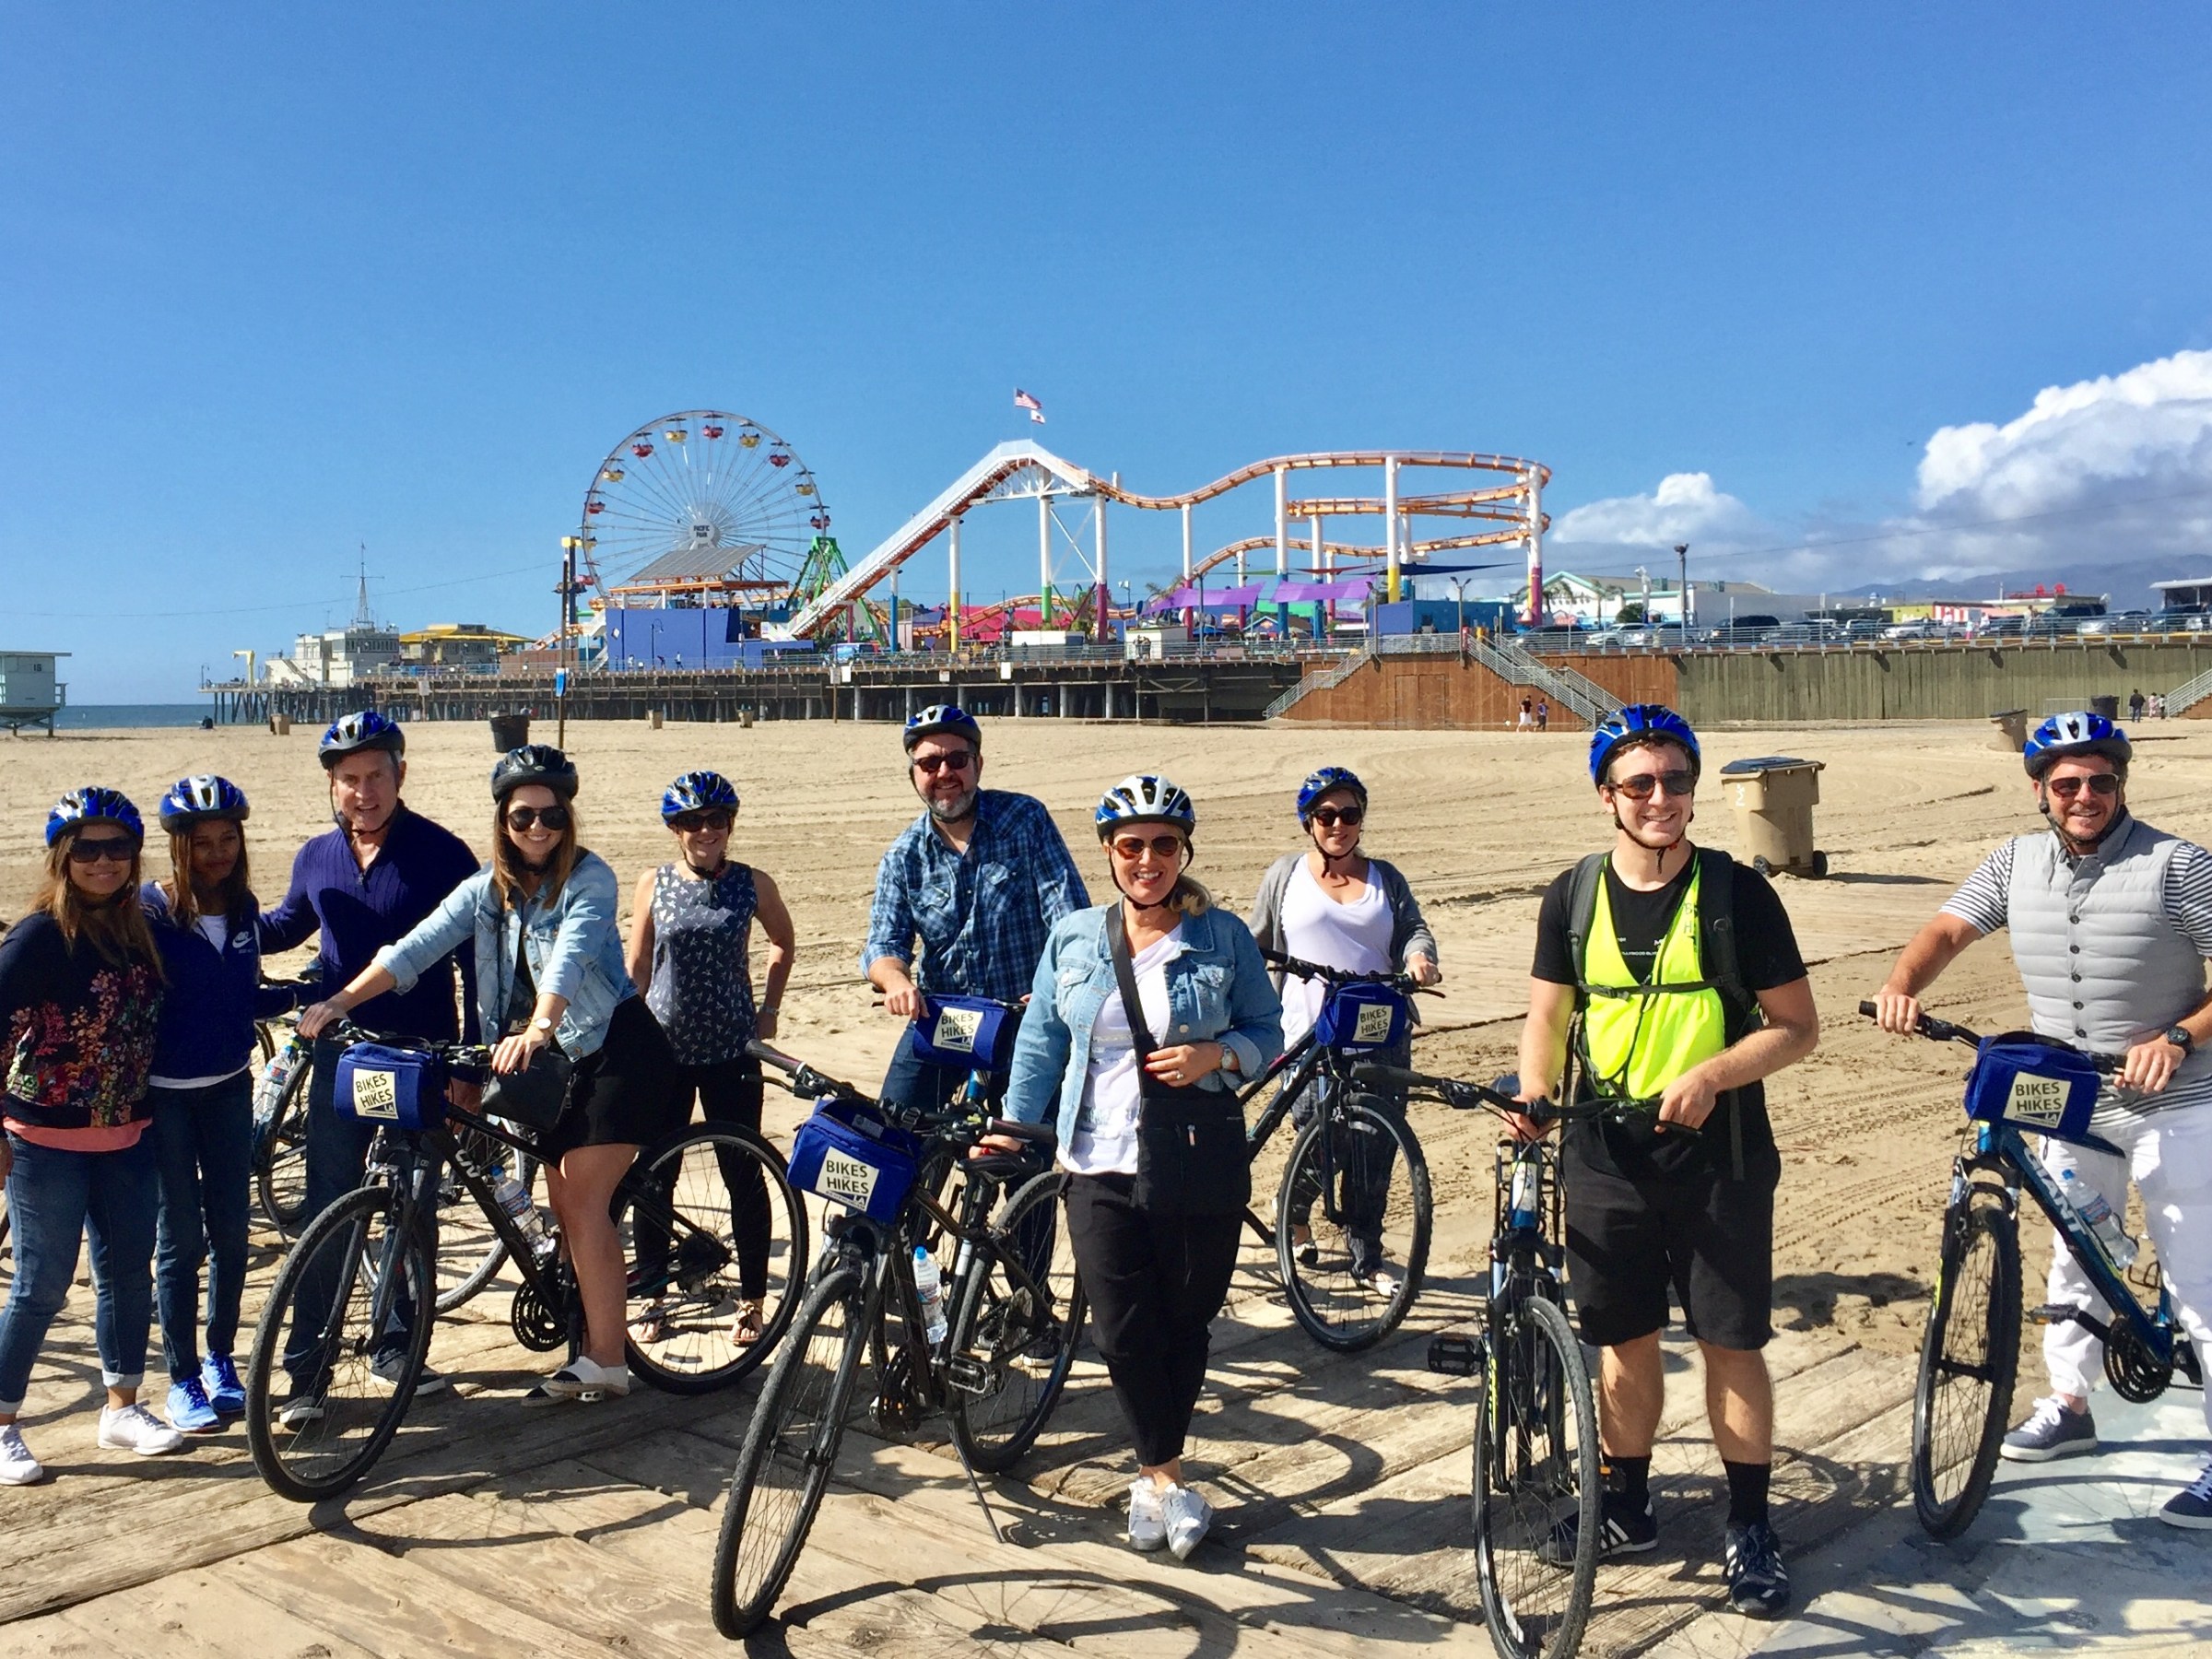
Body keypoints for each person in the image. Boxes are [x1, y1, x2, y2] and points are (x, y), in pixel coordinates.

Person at [1872, 711, 2212, 1528]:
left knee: (2199, 1277)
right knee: (2072, 1247)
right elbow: (1947, 929)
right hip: (2069, 1091)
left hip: (2175, 1097)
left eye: (2100, 781)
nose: (2084, 796)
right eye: (2066, 784)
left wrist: (2177, 1038)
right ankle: (2069, 1403)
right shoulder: (2013, 862)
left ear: (2120, 784)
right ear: (2040, 792)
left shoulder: (2177, 864)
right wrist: (1902, 985)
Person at [1514, 705, 1818, 1618]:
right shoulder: (1572, 895)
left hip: (1719, 1158)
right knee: (1623, 1339)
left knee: (1730, 1343)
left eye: (1676, 780)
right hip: (1604, 1155)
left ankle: (1750, 1525)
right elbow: (1548, 1016)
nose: (1660, 799)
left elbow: (1796, 1027)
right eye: (1640, 783)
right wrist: (1534, 1092)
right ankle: (1629, 1505)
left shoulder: (1738, 895)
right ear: (1606, 794)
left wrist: (1714, 1074)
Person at [301, 746, 684, 1405]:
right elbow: (415, 948)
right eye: (523, 816)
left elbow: (571, 955)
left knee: (580, 1202)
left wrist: (538, 1026)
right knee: (562, 1202)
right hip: (551, 1061)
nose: (538, 828)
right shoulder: (487, 889)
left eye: (552, 816)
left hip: (615, 1052)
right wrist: (341, 1001)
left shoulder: (590, 878)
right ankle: (587, 1332)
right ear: (503, 822)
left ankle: (606, 1360)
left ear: (568, 819)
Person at [1000, 775, 1283, 1560]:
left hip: (1193, 1154)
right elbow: (1042, 1039)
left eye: (1163, 845)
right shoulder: (1074, 938)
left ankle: (1155, 1479)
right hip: (1095, 1159)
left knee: (1185, 1320)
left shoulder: (1221, 937)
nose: (1147, 860)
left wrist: (1218, 1055)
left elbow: (1269, 1028)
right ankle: (1165, 1478)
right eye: (1131, 846)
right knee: (1122, 1331)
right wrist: (1014, 1127)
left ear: (1183, 850)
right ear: (1108, 853)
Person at [259, 709, 480, 1411]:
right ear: (333, 785)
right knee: (328, 1210)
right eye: (349, 779)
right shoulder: (317, 856)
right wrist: (205, 916)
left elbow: (476, 965)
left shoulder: (443, 854)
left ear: (400, 774)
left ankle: (398, 1347)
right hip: (342, 1057)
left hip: (421, 1059)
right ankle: (307, 1372)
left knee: (412, 1209)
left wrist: (469, 1069)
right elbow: (284, 926)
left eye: (376, 776)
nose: (364, 792)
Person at [0, 790, 184, 1484]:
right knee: (40, 1287)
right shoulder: (38, 937)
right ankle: (3, 1423)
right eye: (88, 849)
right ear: (63, 857)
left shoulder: (140, 930)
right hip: (45, 1142)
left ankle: (121, 1409)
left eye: (118, 848)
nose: (104, 861)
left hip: (128, 1135)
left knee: (128, 1277)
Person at [141, 777, 300, 1432]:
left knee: (232, 1234)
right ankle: (181, 1376)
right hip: (166, 1100)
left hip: (230, 1089)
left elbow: (240, 997)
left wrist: (302, 994)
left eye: (227, 839)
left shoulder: (243, 910)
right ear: (178, 847)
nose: (216, 853)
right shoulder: (149, 912)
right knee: (180, 1240)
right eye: (201, 842)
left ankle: (220, 1359)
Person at [1246, 765, 1440, 1293]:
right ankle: (1294, 1207)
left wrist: (1419, 958)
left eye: (1349, 814)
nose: (1338, 825)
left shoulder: (1385, 878)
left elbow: (1413, 930)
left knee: (1374, 1146)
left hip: (1380, 1029)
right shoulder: (1285, 875)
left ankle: (1367, 1257)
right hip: (1308, 1033)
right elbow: (1255, 942)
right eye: (1326, 815)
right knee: (1322, 1136)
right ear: (1309, 821)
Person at [625, 770, 795, 1346]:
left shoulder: (752, 883)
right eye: (692, 822)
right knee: (654, 1176)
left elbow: (782, 941)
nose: (705, 831)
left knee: (742, 1172)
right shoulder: (653, 883)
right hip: (665, 1052)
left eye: (716, 820)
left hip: (731, 1051)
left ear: (730, 825)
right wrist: (626, 1031)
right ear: (675, 829)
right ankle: (653, 1296)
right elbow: (638, 966)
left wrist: (769, 1009)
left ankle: (753, 1300)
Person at [863, 704, 1088, 1112]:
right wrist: (896, 983)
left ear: (978, 765)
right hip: (945, 1016)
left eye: (957, 760)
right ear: (914, 774)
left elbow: (1069, 916)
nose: (944, 773)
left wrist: (1055, 984)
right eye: (929, 764)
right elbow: (883, 945)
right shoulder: (903, 856)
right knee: (893, 1125)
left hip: (1025, 1017)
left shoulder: (1025, 820)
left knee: (1028, 1137)